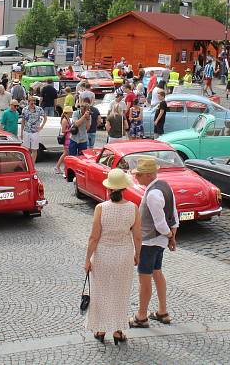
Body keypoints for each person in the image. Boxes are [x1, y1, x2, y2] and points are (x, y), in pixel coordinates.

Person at [85, 168, 141, 345]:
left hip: (102, 254)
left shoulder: (101, 208)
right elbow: (137, 236)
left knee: (100, 291)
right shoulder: (133, 208)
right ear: (124, 188)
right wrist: (137, 254)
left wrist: (87, 259)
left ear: (109, 189)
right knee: (120, 292)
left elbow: (94, 237)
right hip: (124, 254)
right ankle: (118, 331)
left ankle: (100, 329)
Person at [128, 156, 177, 330]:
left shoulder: (153, 194)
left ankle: (141, 316)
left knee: (145, 279)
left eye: (139, 174)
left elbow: (160, 222)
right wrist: (172, 236)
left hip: (149, 242)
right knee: (157, 273)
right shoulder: (165, 186)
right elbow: (174, 213)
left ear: (148, 175)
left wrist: (169, 234)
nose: (136, 177)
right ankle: (162, 311)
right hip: (160, 241)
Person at [20, 96, 47, 161]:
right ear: (28, 102)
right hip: (26, 131)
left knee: (34, 149)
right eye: (31, 101)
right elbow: (23, 121)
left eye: (34, 101)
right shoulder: (24, 109)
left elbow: (45, 117)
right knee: (26, 149)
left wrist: (41, 126)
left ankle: (33, 165)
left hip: (35, 131)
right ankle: (28, 165)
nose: (33, 103)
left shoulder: (39, 109)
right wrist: (21, 132)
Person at [54, 105, 73, 175]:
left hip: (68, 138)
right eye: (70, 112)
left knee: (66, 153)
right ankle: (57, 166)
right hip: (66, 138)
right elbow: (63, 130)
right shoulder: (65, 120)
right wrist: (70, 130)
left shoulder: (67, 119)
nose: (71, 114)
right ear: (66, 113)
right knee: (66, 153)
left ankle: (58, 167)